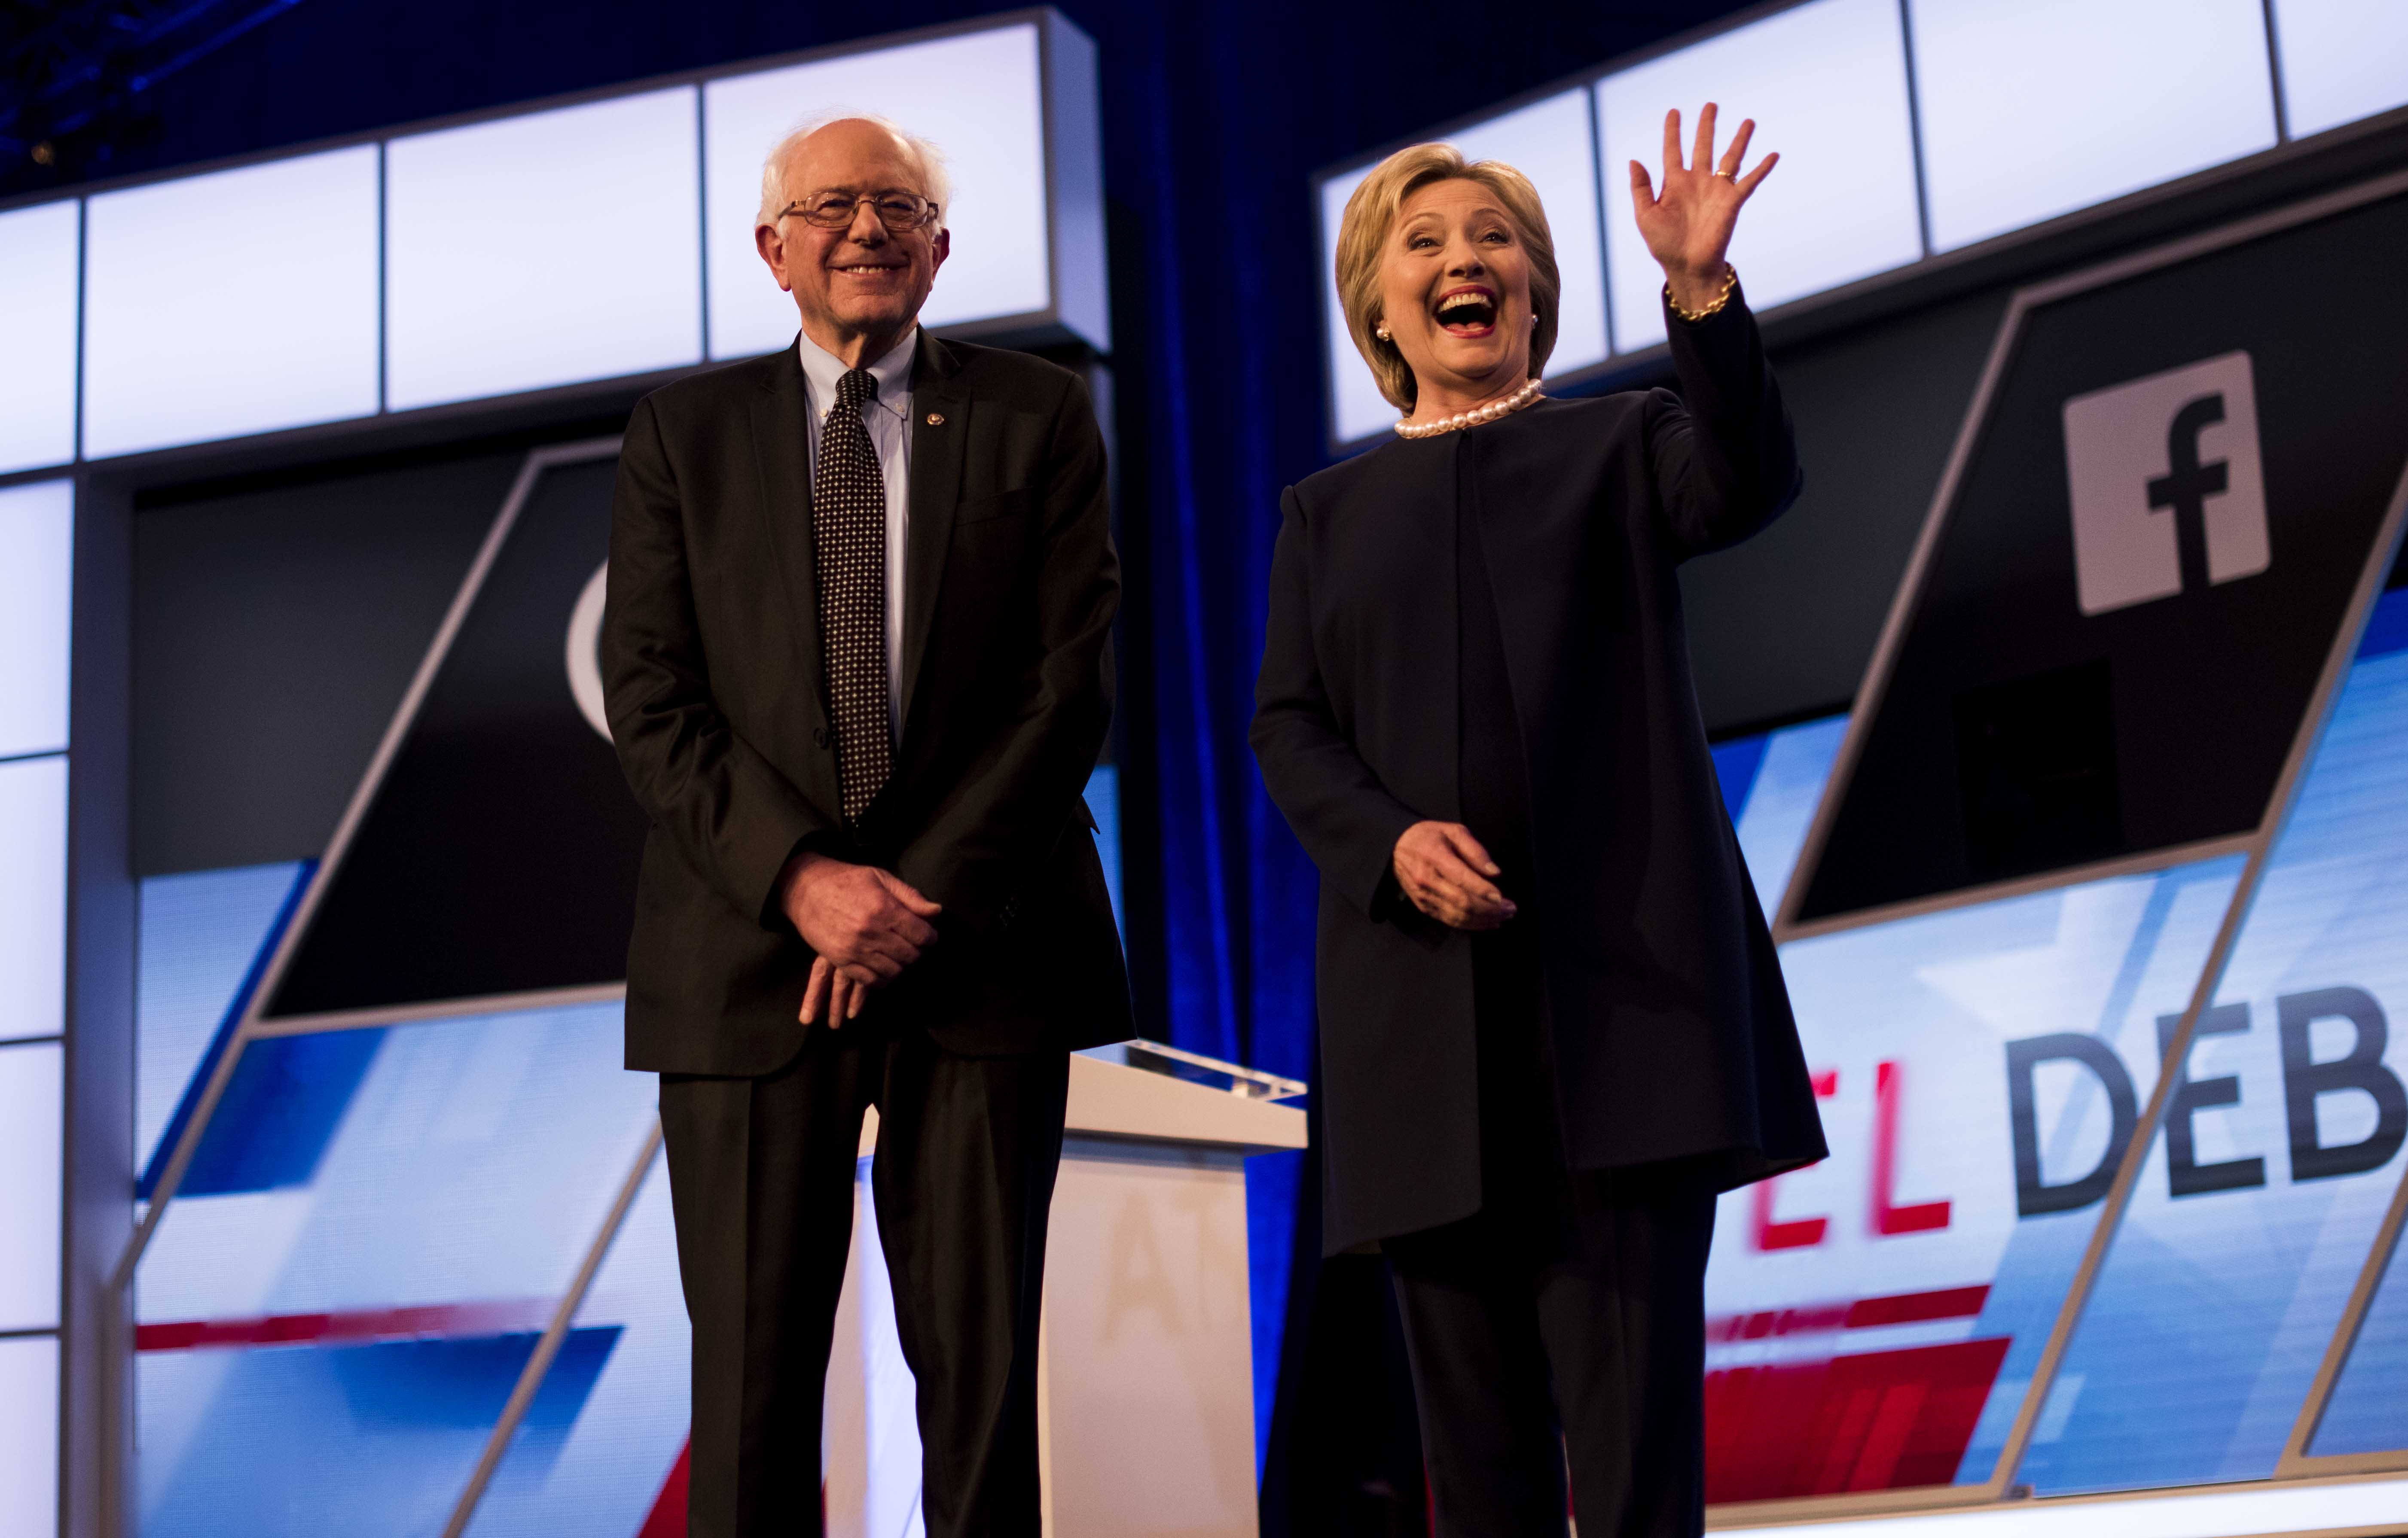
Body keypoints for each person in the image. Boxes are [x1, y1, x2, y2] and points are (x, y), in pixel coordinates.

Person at [1249, 105, 1828, 1537]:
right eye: (1428, 242)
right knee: (1481, 1483)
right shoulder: (1325, 514)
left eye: (1494, 239)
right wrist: (1386, 841)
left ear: (1534, 289)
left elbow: (1749, 481)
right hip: (1422, 1053)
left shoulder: (1627, 443)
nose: (1466, 261)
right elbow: (1287, 723)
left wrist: (1701, 291)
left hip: (1619, 1039)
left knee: (1635, 1476)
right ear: (1381, 306)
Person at [601, 113, 1127, 1538]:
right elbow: (649, 697)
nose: (867, 230)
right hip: (746, 959)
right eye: (831, 206)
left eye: (898, 206)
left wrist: (908, 898)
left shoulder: (1037, 412)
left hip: (982, 955)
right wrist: (805, 882)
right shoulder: (683, 435)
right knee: (754, 1398)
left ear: (941, 248)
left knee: (980, 1393)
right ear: (774, 251)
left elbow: (1070, 682)